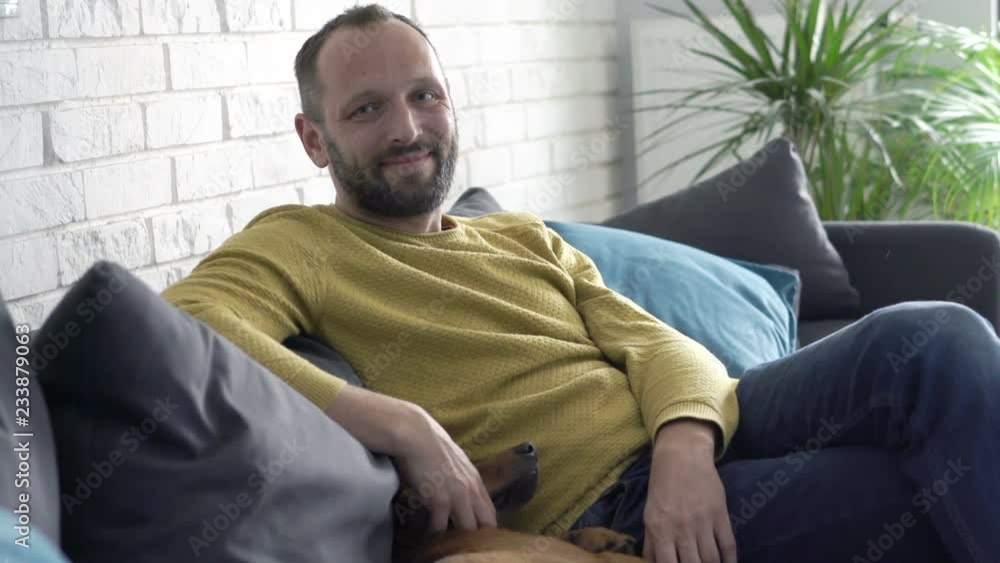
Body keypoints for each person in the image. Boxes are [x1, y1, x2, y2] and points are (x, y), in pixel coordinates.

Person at [160, 4, 999, 563]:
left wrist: (683, 447)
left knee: (937, 333)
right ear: (314, 138)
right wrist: (401, 423)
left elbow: (657, 343)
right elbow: (186, 323)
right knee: (913, 490)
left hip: (702, 430)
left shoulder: (519, 235)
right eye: (367, 109)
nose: (408, 127)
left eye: (425, 96)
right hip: (604, 506)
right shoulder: (300, 242)